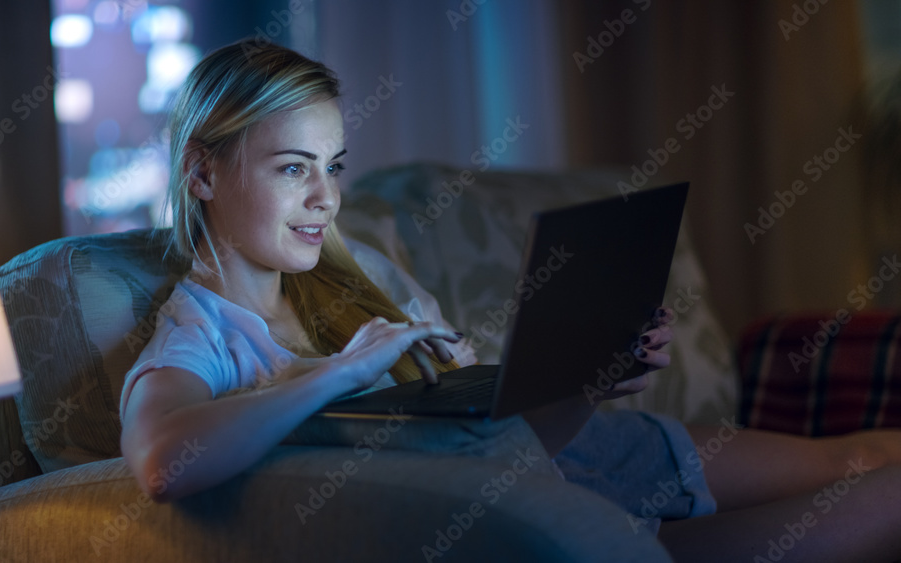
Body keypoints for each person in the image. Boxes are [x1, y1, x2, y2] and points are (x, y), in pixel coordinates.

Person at [119, 39, 901, 562]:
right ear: (202, 174)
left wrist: (591, 377)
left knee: (862, 451)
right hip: (550, 518)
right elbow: (161, 461)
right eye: (294, 168)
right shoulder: (202, 331)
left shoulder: (362, 277)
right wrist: (337, 373)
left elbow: (512, 439)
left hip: (586, 456)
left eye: (334, 164)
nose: (327, 197)